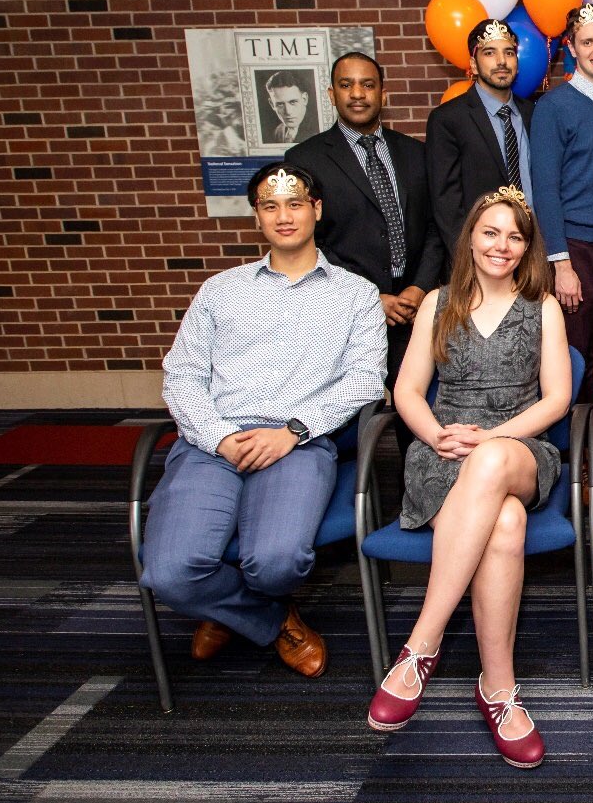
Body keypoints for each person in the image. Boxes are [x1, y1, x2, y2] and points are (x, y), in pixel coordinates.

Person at [141, 163, 386, 679]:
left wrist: (292, 432)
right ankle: (271, 620)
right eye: (270, 206)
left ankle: (226, 611)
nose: (284, 216)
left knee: (277, 564)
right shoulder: (220, 290)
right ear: (257, 216)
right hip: (213, 443)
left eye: (295, 203)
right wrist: (220, 438)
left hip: (297, 443)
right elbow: (181, 376)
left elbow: (365, 382)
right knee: (169, 574)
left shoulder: (356, 295)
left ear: (316, 210)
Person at [365, 187, 569, 770]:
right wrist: (434, 435)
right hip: (444, 451)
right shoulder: (438, 302)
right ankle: (499, 691)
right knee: (505, 524)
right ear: (471, 239)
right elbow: (407, 390)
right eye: (491, 232)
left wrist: (493, 437)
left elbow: (556, 399)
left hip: (520, 448)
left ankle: (420, 646)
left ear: (527, 248)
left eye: (515, 237)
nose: (502, 246)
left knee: (494, 462)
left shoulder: (542, 306)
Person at [286, 51, 441, 387]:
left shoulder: (416, 153)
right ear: (332, 94)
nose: (357, 94)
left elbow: (434, 227)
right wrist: (369, 296)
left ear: (383, 94)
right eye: (347, 85)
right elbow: (308, 243)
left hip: (413, 308)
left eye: (368, 85)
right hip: (346, 310)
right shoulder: (305, 160)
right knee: (355, 405)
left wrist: (420, 287)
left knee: (415, 400)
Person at [530, 3, 593, 403]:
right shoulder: (554, 106)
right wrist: (561, 264)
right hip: (577, 250)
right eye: (588, 42)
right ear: (572, 48)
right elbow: (545, 188)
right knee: (572, 356)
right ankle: (564, 436)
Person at [426, 19, 535, 266]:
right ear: (474, 65)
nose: (501, 61)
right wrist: (468, 262)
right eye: (490, 53)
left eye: (509, 53)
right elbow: (446, 203)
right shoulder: (448, 119)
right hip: (482, 258)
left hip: (532, 251)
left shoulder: (533, 113)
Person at [264, 71, 318, 145]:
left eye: (293, 102)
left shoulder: (318, 131)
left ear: (304, 99)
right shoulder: (279, 131)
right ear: (272, 104)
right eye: (280, 104)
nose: (288, 112)